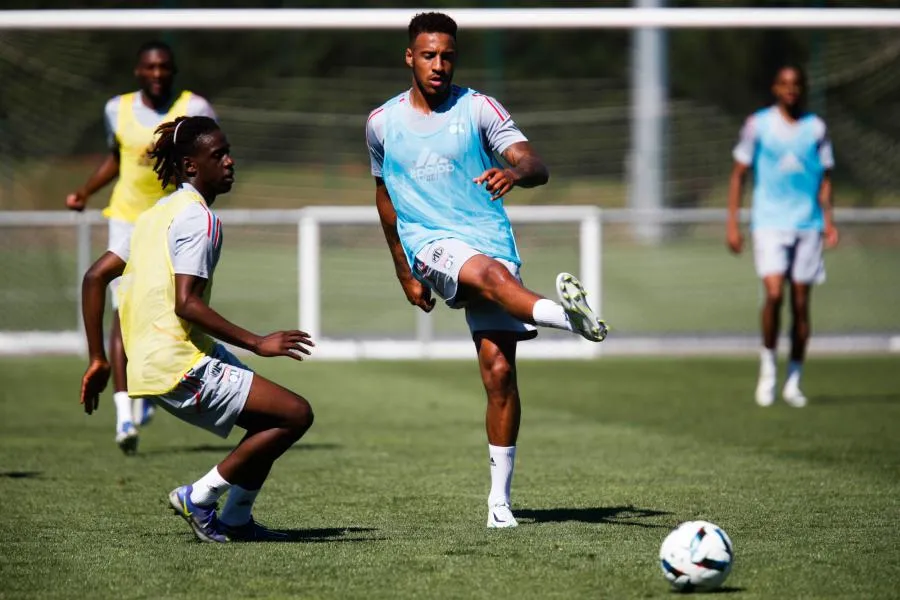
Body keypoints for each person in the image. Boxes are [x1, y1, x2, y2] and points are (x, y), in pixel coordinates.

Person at [366, 12, 608, 529]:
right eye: (428, 55)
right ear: (410, 57)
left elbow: (535, 163)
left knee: (499, 373)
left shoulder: (479, 108)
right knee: (492, 280)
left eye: (447, 55)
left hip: (490, 239)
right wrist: (403, 271)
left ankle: (499, 501)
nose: (439, 65)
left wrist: (515, 171)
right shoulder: (381, 123)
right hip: (430, 244)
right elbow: (384, 198)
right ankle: (570, 319)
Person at [79, 116, 315, 543]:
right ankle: (200, 497)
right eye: (218, 155)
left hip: (162, 358)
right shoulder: (198, 220)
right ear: (191, 166)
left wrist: (99, 358)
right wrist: (258, 342)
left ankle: (238, 520)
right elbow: (185, 302)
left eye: (228, 152)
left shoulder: (155, 215)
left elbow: (94, 277)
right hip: (177, 363)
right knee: (295, 414)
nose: (230, 161)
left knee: (272, 418)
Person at [65, 40, 217, 453]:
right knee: (122, 308)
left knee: (173, 305)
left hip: (173, 216)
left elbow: (210, 156)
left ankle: (152, 383)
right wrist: (85, 191)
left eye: (164, 67)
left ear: (173, 70)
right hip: (129, 218)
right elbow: (118, 158)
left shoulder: (195, 105)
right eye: (149, 67)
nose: (156, 74)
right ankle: (124, 416)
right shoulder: (117, 108)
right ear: (138, 71)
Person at [727, 64, 839, 408]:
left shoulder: (815, 128)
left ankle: (793, 379)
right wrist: (733, 222)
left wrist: (829, 220)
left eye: (796, 84)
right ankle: (768, 372)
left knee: (801, 303)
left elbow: (824, 178)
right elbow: (739, 174)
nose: (791, 89)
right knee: (774, 294)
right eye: (784, 84)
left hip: (807, 224)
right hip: (769, 222)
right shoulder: (758, 125)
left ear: (802, 88)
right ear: (775, 88)